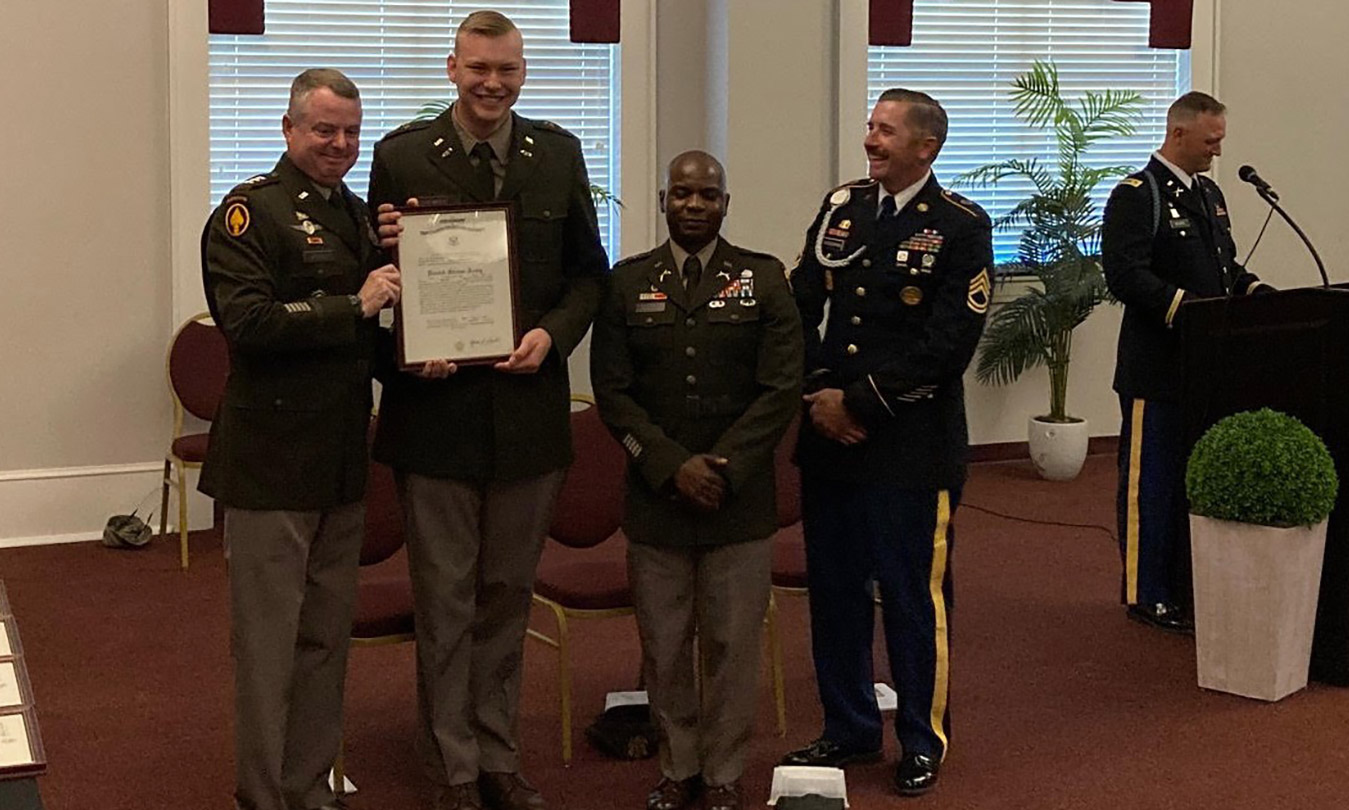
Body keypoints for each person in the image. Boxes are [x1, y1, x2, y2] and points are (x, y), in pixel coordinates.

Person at [366, 10, 609, 810]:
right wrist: (407, 336)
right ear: (451, 68)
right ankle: (453, 765)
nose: (492, 84)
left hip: (528, 413)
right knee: (443, 599)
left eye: (506, 70)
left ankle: (499, 754)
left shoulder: (556, 154)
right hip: (434, 415)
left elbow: (587, 276)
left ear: (523, 73)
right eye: (478, 68)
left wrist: (552, 334)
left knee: (506, 593)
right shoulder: (401, 156)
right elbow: (373, 279)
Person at [780, 89, 994, 798]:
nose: (871, 140)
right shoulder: (844, 207)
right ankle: (848, 725)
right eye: (870, 128)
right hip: (830, 436)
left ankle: (921, 738)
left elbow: (948, 343)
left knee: (911, 596)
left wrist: (859, 402)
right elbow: (801, 301)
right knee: (835, 591)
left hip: (908, 444)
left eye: (886, 131)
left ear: (925, 146)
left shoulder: (960, 226)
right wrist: (818, 394)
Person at [198, 68, 401, 810]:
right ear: (289, 130)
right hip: (270, 464)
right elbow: (249, 326)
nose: (340, 144)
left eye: (351, 131)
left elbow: (364, 338)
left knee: (324, 643)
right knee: (267, 650)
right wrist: (355, 302)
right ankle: (263, 796)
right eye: (324, 129)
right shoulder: (250, 216)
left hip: (341, 460)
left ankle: (309, 785)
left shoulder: (355, 217)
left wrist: (421, 352)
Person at [590, 151, 803, 810]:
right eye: (681, 193)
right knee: (664, 644)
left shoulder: (764, 280)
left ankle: (721, 774)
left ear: (725, 203)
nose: (693, 204)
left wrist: (724, 467)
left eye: (706, 194)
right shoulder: (626, 284)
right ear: (663, 202)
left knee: (732, 644)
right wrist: (668, 464)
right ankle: (677, 765)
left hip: (736, 501)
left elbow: (780, 388)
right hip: (657, 500)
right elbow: (612, 391)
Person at [1102, 91, 1272, 634]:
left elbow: (1221, 264)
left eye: (1220, 140)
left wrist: (1254, 288)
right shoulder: (1138, 194)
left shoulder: (1210, 193)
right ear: (1178, 135)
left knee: (1190, 481)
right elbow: (1125, 275)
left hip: (1205, 367)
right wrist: (1189, 311)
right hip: (1156, 366)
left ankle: (1180, 584)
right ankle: (1145, 592)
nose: (1217, 151)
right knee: (1150, 484)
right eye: (1209, 141)